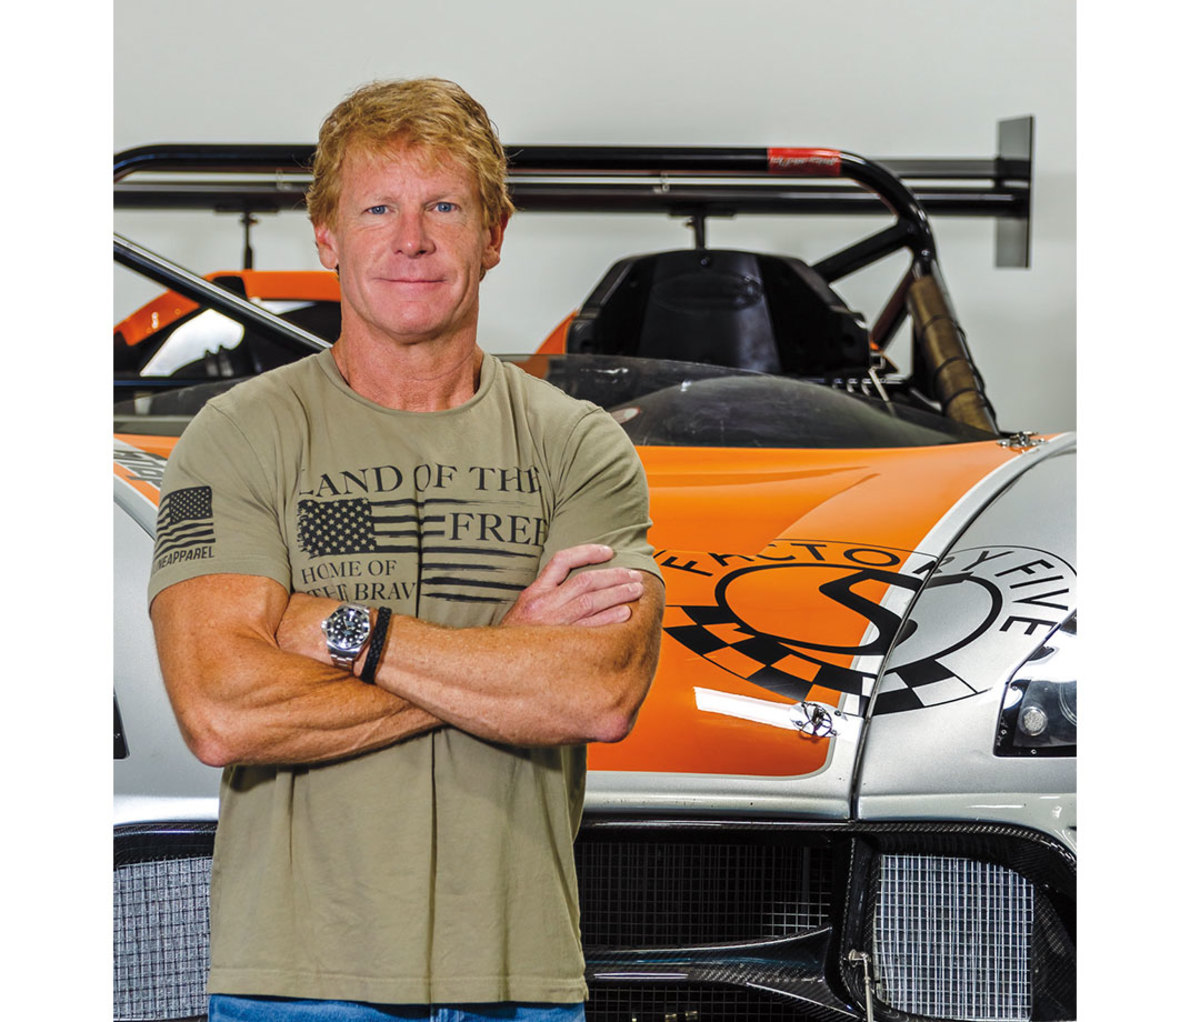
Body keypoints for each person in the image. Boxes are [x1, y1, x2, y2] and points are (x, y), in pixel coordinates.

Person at [148, 77, 664, 1022]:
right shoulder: (239, 436)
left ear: (494, 234)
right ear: (328, 236)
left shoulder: (578, 446)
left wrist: (347, 633)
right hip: (294, 983)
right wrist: (505, 657)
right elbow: (222, 711)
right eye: (377, 207)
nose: (411, 239)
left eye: (444, 207)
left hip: (518, 980)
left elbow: (596, 693)